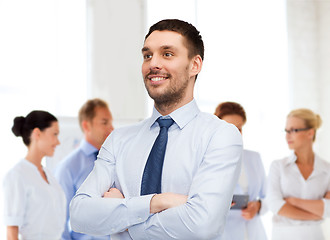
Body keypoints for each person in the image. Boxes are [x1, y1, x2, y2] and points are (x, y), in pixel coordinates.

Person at [70, 19, 243, 240]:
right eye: (147, 55)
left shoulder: (220, 136)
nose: (153, 64)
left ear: (195, 65)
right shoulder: (119, 140)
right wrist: (158, 202)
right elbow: (79, 215)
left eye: (167, 54)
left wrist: (124, 219)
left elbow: (202, 226)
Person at [55, 98, 114, 240]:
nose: (111, 128)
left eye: (111, 123)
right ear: (87, 126)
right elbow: (59, 221)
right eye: (104, 122)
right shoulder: (68, 167)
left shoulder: (116, 161)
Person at [267, 108, 330, 240]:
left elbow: (329, 208)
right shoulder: (278, 166)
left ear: (310, 133)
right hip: (283, 235)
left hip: (316, 235)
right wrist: (316, 214)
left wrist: (294, 201)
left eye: (294, 130)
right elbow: (275, 205)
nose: (287, 135)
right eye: (286, 130)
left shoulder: (327, 169)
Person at [3, 110, 66, 240]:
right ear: (37, 133)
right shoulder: (17, 175)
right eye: (54, 134)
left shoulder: (48, 174)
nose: (58, 142)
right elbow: (11, 233)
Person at [214, 101, 268, 240]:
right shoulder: (206, 160)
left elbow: (268, 196)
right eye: (229, 128)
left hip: (253, 232)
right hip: (223, 233)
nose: (235, 134)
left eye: (239, 128)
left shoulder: (254, 158)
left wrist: (258, 206)